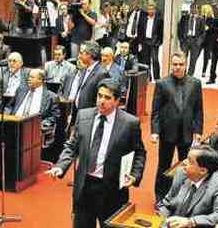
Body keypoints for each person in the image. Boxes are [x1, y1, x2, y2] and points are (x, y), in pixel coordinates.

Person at [45, 79, 146, 228]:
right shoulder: (83, 115)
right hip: (84, 186)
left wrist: (135, 175)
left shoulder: (130, 123)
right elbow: (72, 146)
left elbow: (139, 152)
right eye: (99, 96)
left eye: (107, 97)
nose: (101, 101)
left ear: (117, 100)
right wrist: (60, 166)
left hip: (112, 190)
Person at [151, 51, 204, 202]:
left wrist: (198, 130)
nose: (178, 67)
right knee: (164, 166)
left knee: (186, 166)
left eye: (181, 64)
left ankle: (182, 196)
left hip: (187, 132)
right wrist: (155, 131)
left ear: (186, 65)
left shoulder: (195, 83)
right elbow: (155, 110)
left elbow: (199, 108)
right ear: (171, 65)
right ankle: (160, 196)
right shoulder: (162, 83)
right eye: (175, 64)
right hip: (167, 132)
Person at [157, 146, 218, 227]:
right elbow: (166, 204)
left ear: (203, 171)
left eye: (190, 161)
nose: (184, 162)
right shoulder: (181, 173)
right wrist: (161, 221)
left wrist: (191, 222)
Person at [61, 42, 110, 123]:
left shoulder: (101, 73)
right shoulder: (84, 69)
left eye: (81, 53)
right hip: (78, 114)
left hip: (90, 117)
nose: (78, 56)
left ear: (90, 55)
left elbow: (102, 99)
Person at [137, 0, 163, 81]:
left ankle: (157, 78)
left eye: (152, 9)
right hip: (145, 42)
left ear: (155, 10)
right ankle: (148, 77)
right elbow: (140, 30)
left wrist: (159, 42)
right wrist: (140, 42)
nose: (150, 11)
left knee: (155, 60)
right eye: (149, 9)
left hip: (154, 42)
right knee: (146, 61)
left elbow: (161, 32)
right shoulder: (143, 19)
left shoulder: (159, 20)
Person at [201, 4, 216, 78]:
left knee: (206, 57)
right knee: (195, 56)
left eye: (206, 10)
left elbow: (213, 30)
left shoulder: (213, 20)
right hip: (201, 40)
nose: (204, 12)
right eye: (204, 10)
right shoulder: (202, 18)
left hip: (209, 41)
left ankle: (204, 71)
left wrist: (208, 28)